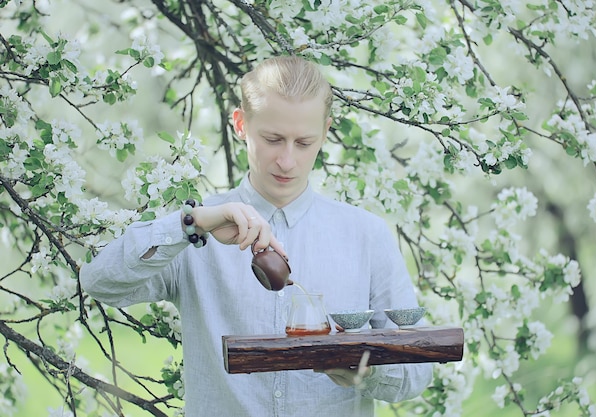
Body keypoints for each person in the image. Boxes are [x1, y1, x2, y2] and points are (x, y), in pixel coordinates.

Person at [80, 55, 433, 417]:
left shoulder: (366, 235)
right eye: (273, 139)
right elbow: (99, 282)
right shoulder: (195, 234)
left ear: (325, 132)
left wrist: (368, 372)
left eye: (304, 142)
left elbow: (418, 370)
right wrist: (193, 223)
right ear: (240, 124)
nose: (287, 161)